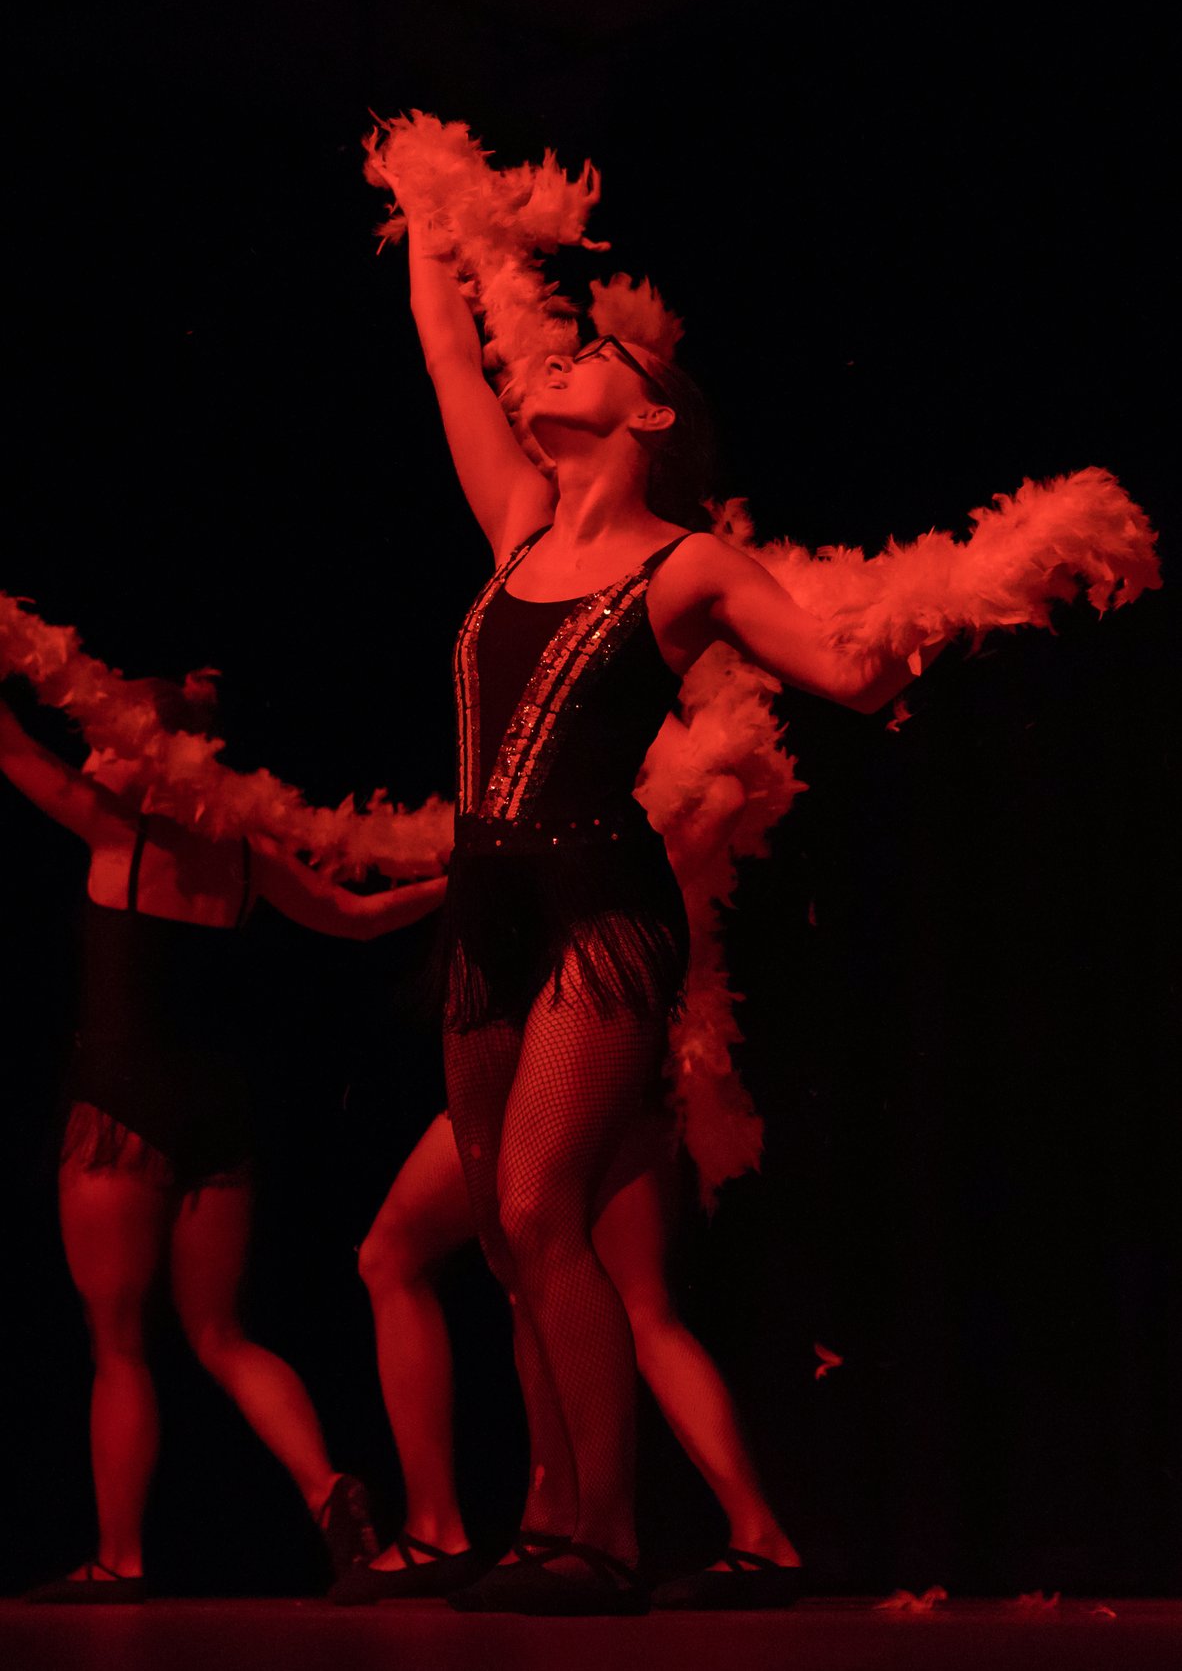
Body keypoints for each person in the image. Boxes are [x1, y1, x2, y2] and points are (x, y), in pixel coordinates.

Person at [398, 212, 941, 1615]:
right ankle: (550, 1517)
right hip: (485, 904)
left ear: (649, 413)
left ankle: (607, 1536)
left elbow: (845, 673)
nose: (557, 356)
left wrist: (956, 598)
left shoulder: (689, 563)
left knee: (539, 1200)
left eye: (593, 355)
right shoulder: (517, 519)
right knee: (511, 1241)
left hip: (599, 905)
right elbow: (449, 353)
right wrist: (424, 198)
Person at [0, 686, 445, 1602]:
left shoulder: (119, 831)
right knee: (221, 1334)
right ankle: (326, 1487)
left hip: (122, 1106)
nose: (92, 756)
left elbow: (9, 750)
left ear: (151, 752)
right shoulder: (245, 854)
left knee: (119, 1345)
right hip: (218, 1111)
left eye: (107, 741)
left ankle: (119, 1557)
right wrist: (459, 885)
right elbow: (355, 918)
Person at [337, 759, 802, 1610]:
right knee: (624, 1300)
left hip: (594, 1028)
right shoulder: (565, 751)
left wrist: (590, 865)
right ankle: (745, 1531)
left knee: (430, 1250)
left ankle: (474, 1523)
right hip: (610, 1032)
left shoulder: (636, 743)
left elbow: (715, 807)